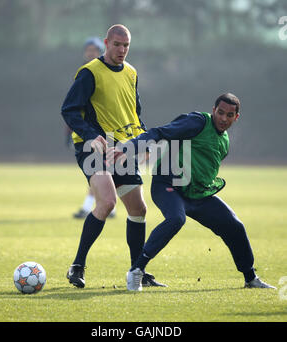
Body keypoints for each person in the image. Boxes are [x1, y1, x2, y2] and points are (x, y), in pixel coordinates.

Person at [108, 93, 276, 291]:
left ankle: (251, 278)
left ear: (236, 117)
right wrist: (130, 147)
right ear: (213, 110)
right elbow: (160, 132)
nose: (223, 118)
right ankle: (136, 271)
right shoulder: (197, 122)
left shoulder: (224, 141)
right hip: (168, 187)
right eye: (220, 112)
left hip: (197, 195)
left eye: (229, 115)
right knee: (176, 219)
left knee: (235, 226)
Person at [61, 24, 165, 288]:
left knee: (139, 210)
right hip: (94, 146)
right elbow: (69, 110)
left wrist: (143, 141)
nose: (122, 50)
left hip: (122, 147)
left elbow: (134, 111)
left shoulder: (131, 73)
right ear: (107, 43)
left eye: (126, 45)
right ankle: (77, 266)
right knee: (106, 203)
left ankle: (137, 271)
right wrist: (89, 135)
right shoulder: (89, 73)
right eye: (117, 44)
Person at [65, 37, 117, 219]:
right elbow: (72, 108)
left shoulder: (108, 72)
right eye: (88, 50)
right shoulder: (84, 73)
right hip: (90, 133)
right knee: (101, 170)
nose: (91, 53)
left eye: (94, 50)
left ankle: (90, 207)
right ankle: (107, 205)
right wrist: (71, 130)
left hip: (106, 130)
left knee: (101, 168)